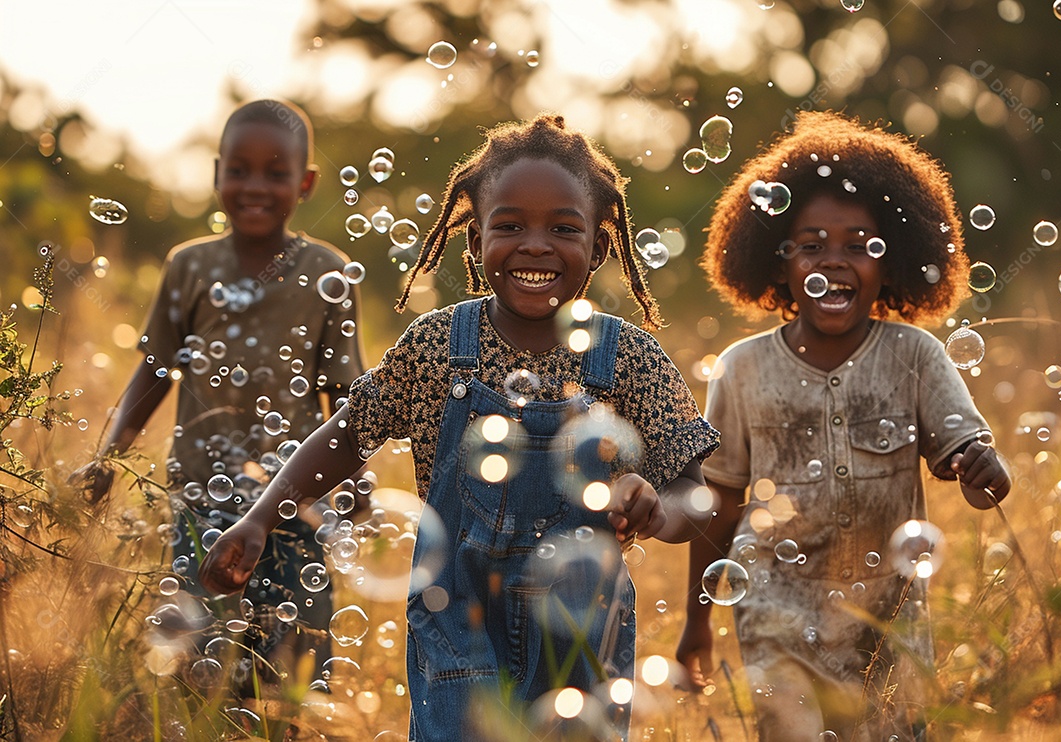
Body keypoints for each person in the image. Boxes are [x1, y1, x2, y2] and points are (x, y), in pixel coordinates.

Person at [199, 113, 721, 741]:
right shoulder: (436, 346)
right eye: (508, 226)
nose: (535, 245)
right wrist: (261, 516)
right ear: (473, 241)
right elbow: (348, 432)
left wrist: (658, 510)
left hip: (580, 631)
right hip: (456, 624)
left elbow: (700, 493)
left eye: (563, 227)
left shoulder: (630, 360)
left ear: (600, 247)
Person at [675, 110, 1011, 741]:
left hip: (890, 623)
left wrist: (986, 470)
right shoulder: (741, 370)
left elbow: (974, 468)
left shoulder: (915, 357)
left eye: (860, 246)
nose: (835, 262)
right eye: (811, 245)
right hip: (776, 614)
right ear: (777, 263)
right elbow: (717, 500)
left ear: (894, 261)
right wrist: (697, 620)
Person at [71, 99, 364, 691]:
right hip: (202, 497)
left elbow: (346, 399)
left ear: (305, 184)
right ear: (216, 174)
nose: (255, 186)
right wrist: (109, 458)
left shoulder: (327, 272)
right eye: (239, 169)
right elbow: (155, 372)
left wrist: (355, 481)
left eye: (276, 173)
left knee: (293, 668)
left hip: (295, 501)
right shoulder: (190, 267)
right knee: (206, 660)